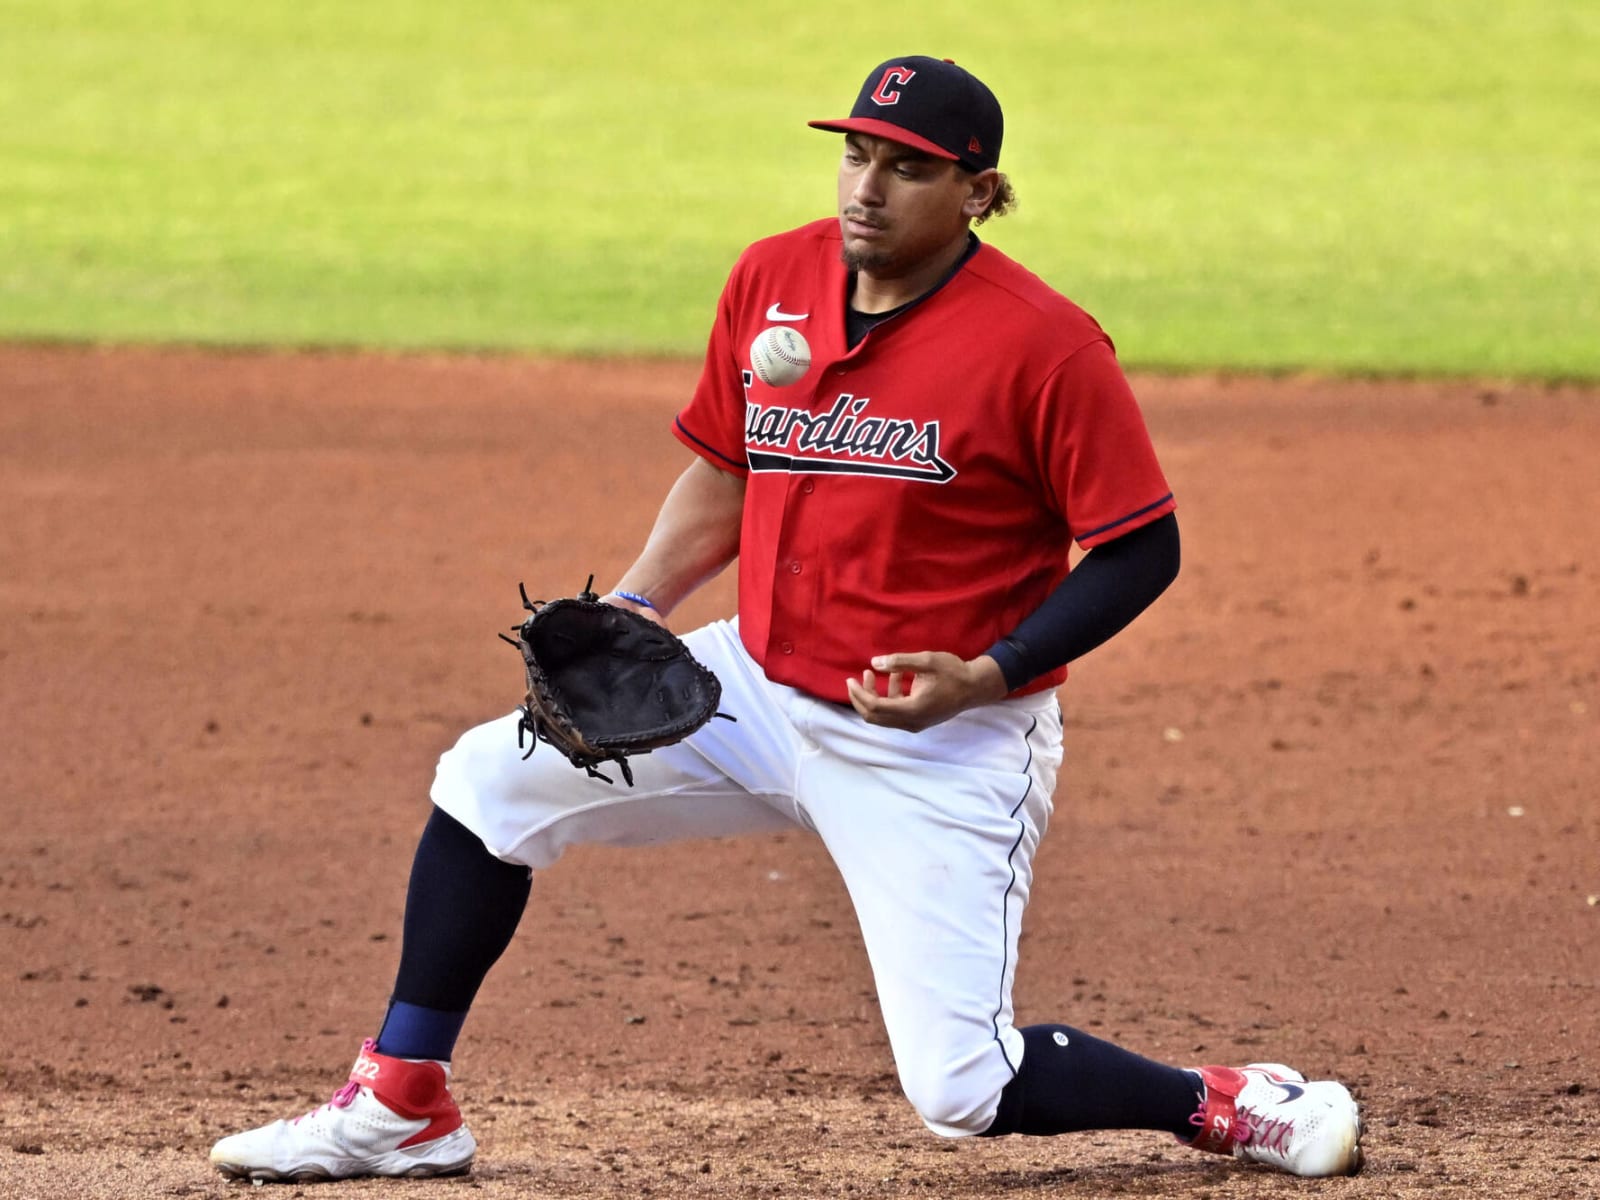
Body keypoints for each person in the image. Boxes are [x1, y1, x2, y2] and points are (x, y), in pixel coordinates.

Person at [210, 55, 1363, 1183]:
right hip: (751, 689)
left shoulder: (1044, 346)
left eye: (905, 167)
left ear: (977, 191)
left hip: (938, 742)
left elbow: (1139, 545)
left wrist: (986, 671)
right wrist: (640, 602)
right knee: (484, 785)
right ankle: (402, 1103)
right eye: (856, 154)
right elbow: (724, 471)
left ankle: (1221, 1103)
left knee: (963, 1089)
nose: (865, 185)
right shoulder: (772, 277)